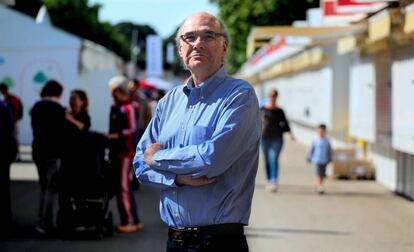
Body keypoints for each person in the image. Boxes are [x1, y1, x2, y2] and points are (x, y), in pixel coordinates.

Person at [133, 12, 261, 252]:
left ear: (224, 47)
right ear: (181, 50)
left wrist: (157, 158)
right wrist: (177, 179)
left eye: (208, 35)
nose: (198, 43)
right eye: (189, 37)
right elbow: (139, 165)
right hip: (175, 241)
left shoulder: (239, 95)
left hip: (219, 242)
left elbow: (212, 159)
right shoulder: (169, 101)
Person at [106, 76, 143, 233]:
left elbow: (132, 129)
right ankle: (132, 219)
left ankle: (129, 221)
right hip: (118, 152)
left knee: (123, 187)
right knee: (123, 187)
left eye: (113, 91)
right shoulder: (117, 106)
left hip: (125, 153)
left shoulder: (129, 107)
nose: (112, 94)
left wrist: (114, 135)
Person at [31, 80, 68, 234]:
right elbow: (62, 132)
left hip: (38, 150)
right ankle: (44, 223)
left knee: (43, 186)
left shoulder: (36, 107)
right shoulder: (58, 108)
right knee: (50, 188)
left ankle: (42, 221)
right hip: (53, 152)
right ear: (58, 93)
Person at [260, 89, 295, 193]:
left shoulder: (279, 111)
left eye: (274, 95)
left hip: (277, 138)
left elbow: (285, 123)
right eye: (271, 95)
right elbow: (255, 121)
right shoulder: (262, 109)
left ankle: (273, 180)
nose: (273, 97)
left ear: (277, 97)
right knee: (266, 160)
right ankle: (268, 179)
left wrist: (291, 135)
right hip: (264, 137)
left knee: (273, 159)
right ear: (268, 96)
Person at [0, 100, 17, 236]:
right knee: (4, 187)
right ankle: (6, 219)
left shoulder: (3, 106)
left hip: (4, 151)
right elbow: (10, 128)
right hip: (4, 152)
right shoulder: (4, 106)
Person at [0, 83, 23, 161]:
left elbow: (14, 110)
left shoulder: (10, 99)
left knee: (14, 139)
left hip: (12, 123)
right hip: (11, 122)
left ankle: (17, 155)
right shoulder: (8, 98)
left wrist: (13, 120)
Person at [308, 124, 332, 194]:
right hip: (317, 159)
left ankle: (320, 184)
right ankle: (319, 186)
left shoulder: (327, 141)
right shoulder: (315, 140)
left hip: (324, 160)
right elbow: (312, 149)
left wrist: (330, 158)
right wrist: (309, 157)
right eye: (320, 131)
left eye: (323, 131)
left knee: (323, 174)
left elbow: (329, 150)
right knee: (318, 173)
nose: (321, 132)